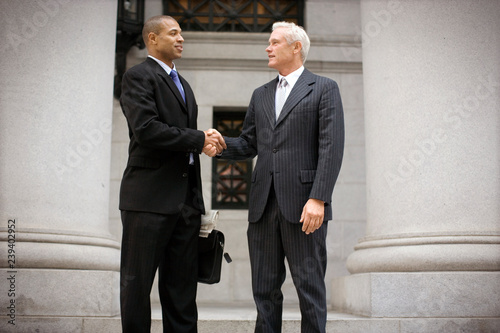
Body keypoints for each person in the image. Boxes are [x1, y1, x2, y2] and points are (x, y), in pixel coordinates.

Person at [219, 21, 344, 332]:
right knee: (264, 290)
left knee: (309, 288)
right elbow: (249, 143)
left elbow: (331, 146)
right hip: (263, 206)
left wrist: (319, 198)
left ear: (296, 47)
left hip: (305, 206)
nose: (268, 48)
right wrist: (219, 145)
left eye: (274, 42)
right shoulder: (260, 94)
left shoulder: (324, 88)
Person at [118, 15, 225, 333]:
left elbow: (180, 134)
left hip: (186, 205)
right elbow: (147, 130)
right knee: (137, 285)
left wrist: (204, 141)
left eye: (182, 34)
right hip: (147, 200)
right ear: (152, 39)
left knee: (182, 292)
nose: (181, 39)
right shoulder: (138, 77)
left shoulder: (185, 85)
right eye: (173, 33)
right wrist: (197, 139)